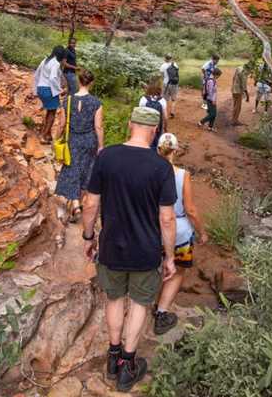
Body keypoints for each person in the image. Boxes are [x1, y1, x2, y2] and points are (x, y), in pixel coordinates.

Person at [82, 107, 177, 392]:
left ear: (129, 124)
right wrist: (170, 257)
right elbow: (167, 218)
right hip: (145, 251)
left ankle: (112, 356)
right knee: (138, 304)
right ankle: (127, 365)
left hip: (111, 246)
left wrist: (89, 237)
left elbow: (90, 203)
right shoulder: (162, 167)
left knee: (114, 299)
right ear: (155, 131)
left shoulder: (106, 156)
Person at [153, 133, 208, 336]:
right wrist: (202, 232)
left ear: (158, 149)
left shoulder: (149, 171)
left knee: (155, 267)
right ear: (175, 151)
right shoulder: (182, 174)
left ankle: (150, 301)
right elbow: (191, 208)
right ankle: (161, 312)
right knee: (176, 271)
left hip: (152, 228)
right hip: (179, 230)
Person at [54, 69, 104, 223]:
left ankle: (75, 205)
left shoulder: (67, 101)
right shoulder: (96, 103)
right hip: (89, 141)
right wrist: (101, 146)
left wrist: (56, 139)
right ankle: (77, 204)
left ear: (78, 80)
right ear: (91, 83)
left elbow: (62, 124)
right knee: (85, 171)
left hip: (72, 140)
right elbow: (99, 127)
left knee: (72, 169)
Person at [33, 46, 66, 143]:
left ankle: (47, 134)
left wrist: (35, 90)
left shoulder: (45, 60)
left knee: (49, 111)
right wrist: (59, 90)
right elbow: (52, 78)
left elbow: (36, 75)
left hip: (41, 88)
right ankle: (43, 136)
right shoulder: (55, 63)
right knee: (52, 114)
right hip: (48, 89)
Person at [138, 81, 167, 149]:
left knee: (143, 141)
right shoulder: (162, 101)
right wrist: (165, 127)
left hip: (144, 124)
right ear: (160, 90)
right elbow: (165, 117)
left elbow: (139, 113)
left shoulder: (143, 99)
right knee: (155, 143)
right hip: (157, 127)